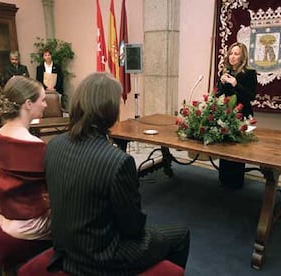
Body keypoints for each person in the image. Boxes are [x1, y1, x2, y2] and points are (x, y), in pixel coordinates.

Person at [45, 72, 190, 275]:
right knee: (181, 233)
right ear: (109, 111)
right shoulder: (117, 161)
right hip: (101, 258)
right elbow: (133, 227)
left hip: (64, 249)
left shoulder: (54, 145)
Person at [0, 76, 51, 240]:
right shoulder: (33, 145)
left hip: (4, 214)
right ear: (28, 104)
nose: (45, 104)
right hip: (28, 222)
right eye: (43, 100)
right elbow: (53, 187)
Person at [216, 42, 257, 189]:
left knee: (238, 150)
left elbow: (251, 96)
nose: (232, 57)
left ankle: (236, 182)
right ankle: (224, 179)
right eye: (231, 53)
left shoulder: (249, 73)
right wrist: (221, 84)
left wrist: (235, 84)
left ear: (242, 56)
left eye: (236, 54)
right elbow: (218, 95)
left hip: (243, 114)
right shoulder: (225, 71)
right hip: (226, 114)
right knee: (225, 147)